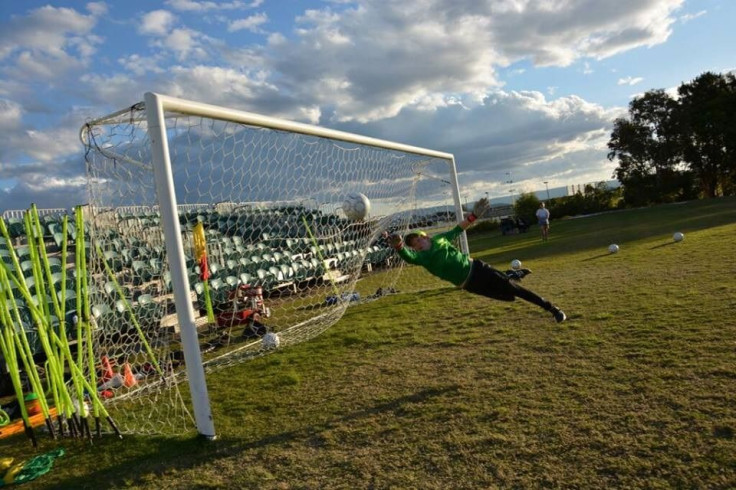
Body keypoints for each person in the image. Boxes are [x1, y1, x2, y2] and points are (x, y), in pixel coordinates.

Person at [383, 198, 566, 323]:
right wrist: (399, 246)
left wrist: (474, 216)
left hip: (477, 269)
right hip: (469, 284)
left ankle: (552, 309)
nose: (417, 244)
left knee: (514, 290)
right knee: (506, 296)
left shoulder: (439, 239)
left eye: (418, 239)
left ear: (425, 237)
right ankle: (511, 274)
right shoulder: (421, 258)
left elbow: (458, 228)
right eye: (414, 244)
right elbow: (408, 256)